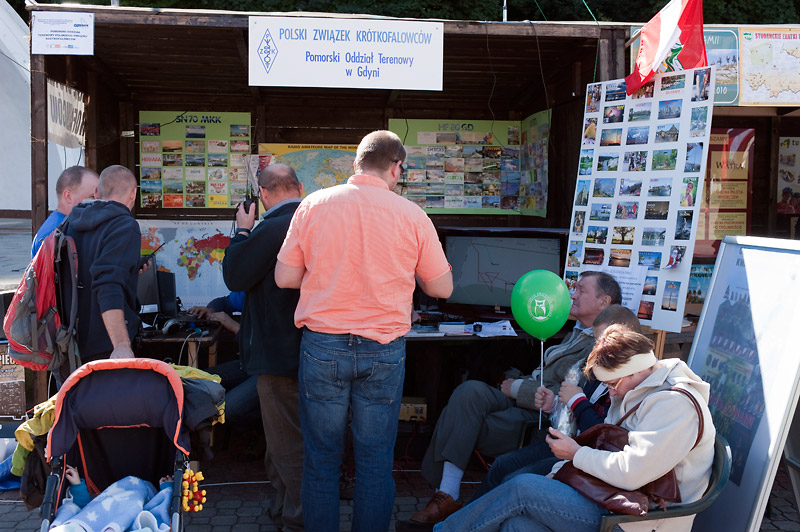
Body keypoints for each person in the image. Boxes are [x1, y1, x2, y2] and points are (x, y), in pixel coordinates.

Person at [275, 130, 453, 532]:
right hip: (384, 348)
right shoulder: (413, 215)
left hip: (323, 346)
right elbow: (441, 288)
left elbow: (285, 278)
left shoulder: (314, 205)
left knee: (321, 459)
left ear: (356, 164)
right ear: (396, 167)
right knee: (375, 461)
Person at [432, 324, 716, 532]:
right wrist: (561, 470)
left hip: (640, 521)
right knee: (516, 526)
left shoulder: (674, 404)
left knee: (522, 488)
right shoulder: (636, 388)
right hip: (617, 502)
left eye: (612, 384)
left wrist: (575, 454)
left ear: (639, 370)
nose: (611, 393)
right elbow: (607, 446)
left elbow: (631, 473)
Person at [412, 271, 621, 525]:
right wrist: (514, 379)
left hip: (539, 412)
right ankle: (448, 495)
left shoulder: (600, 345)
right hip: (523, 395)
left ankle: (449, 500)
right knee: (468, 391)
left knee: (460, 420)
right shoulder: (576, 331)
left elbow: (567, 392)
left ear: (603, 302)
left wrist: (518, 387)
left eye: (581, 291)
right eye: (574, 289)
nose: (572, 296)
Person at [466, 305, 641, 504]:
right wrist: (553, 406)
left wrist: (577, 401)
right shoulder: (598, 369)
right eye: (596, 341)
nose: (597, 348)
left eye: (605, 342)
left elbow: (603, 436)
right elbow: (575, 421)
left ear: (628, 341)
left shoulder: (631, 383)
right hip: (569, 444)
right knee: (501, 465)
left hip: (588, 459)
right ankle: (467, 518)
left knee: (513, 482)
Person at [223, 163, 305, 532]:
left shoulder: (272, 227)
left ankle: (298, 520)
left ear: (264, 195)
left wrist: (242, 230)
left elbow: (235, 275)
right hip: (311, 349)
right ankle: (282, 510)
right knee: (286, 441)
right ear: (299, 188)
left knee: (286, 445)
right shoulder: (313, 221)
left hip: (277, 353)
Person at [65, 165, 140, 364]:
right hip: (105, 346)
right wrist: (121, 344)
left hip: (67, 342)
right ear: (133, 194)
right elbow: (108, 283)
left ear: (97, 192)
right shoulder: (125, 225)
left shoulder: (71, 222)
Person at [31, 166, 99, 258]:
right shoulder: (55, 235)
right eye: (92, 197)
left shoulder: (60, 227)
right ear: (68, 196)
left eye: (99, 198)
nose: (98, 202)